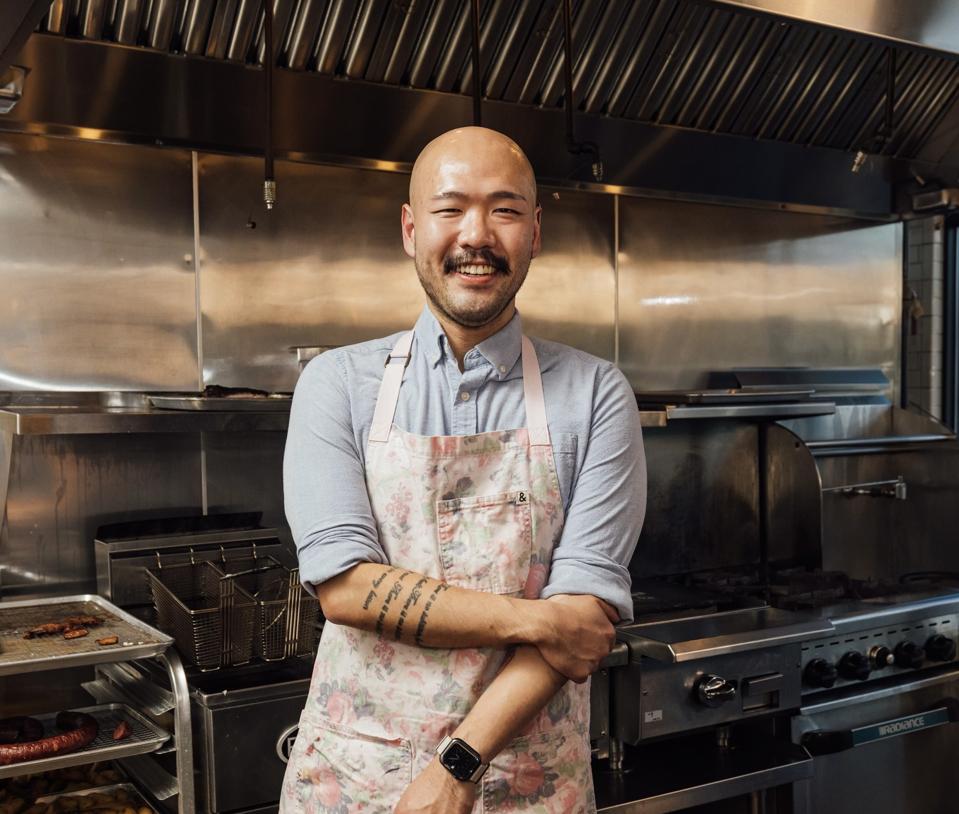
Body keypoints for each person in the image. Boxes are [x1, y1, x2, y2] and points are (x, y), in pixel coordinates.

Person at [280, 126, 646, 813]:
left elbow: (585, 613)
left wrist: (455, 766)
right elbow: (347, 589)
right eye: (450, 210)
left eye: (504, 210)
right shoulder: (336, 383)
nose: (476, 234)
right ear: (410, 229)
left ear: (534, 232)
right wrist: (538, 620)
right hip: (361, 777)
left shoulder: (595, 393)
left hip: (527, 780)